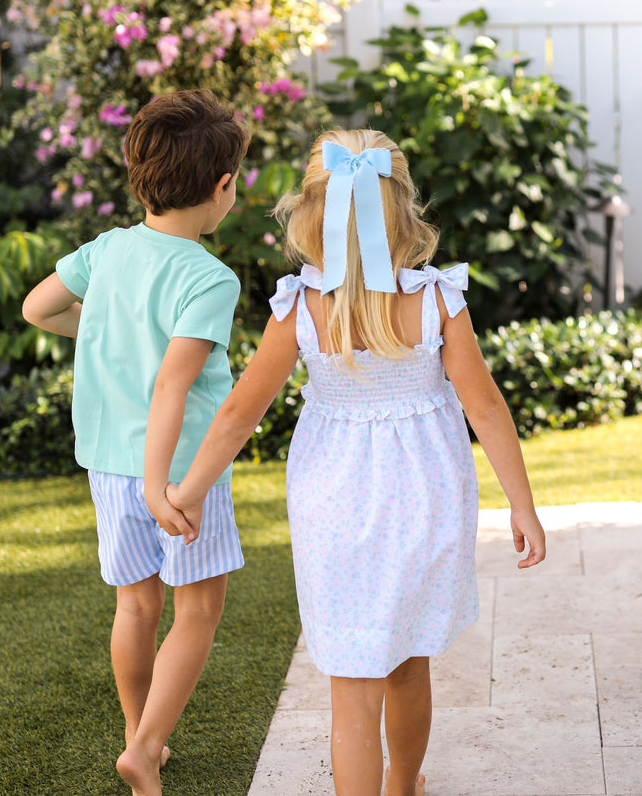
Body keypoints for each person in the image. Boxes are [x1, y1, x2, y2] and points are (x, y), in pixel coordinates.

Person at [164, 129, 547, 796]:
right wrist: (523, 504)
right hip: (423, 495)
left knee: (352, 688)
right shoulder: (436, 301)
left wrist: (189, 489)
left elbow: (237, 415)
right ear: (401, 207)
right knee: (406, 662)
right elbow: (484, 407)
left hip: (334, 502)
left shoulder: (301, 307)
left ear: (310, 213)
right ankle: (403, 785)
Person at [21, 89, 249, 796]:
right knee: (199, 609)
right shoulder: (210, 277)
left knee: (135, 607)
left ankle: (136, 735)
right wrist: (162, 487)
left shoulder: (108, 249)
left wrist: (94, 328)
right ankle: (146, 747)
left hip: (108, 466)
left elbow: (38, 307)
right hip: (179, 477)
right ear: (220, 187)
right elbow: (172, 390)